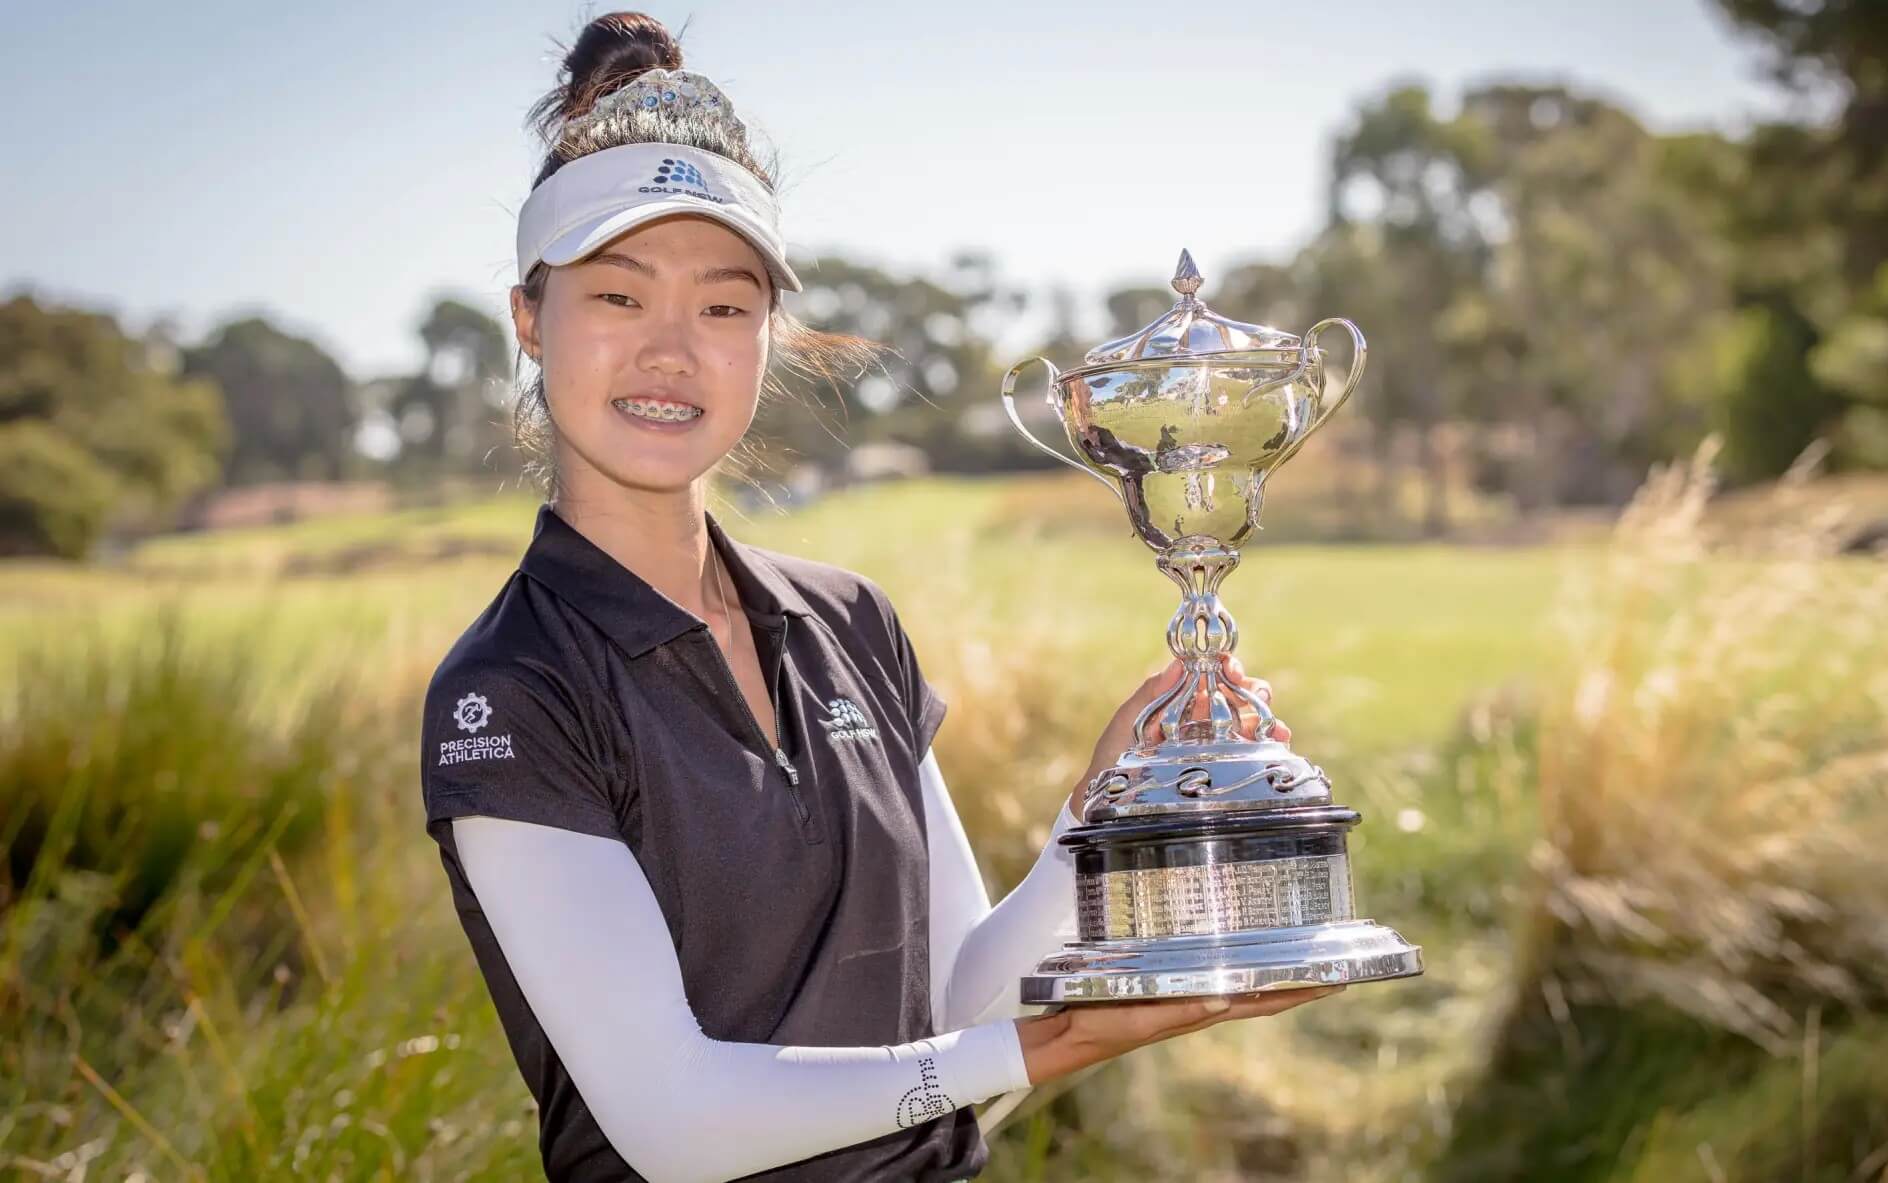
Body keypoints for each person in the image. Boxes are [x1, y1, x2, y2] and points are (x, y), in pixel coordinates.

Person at [419, 13, 1343, 1182]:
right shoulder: (510, 690)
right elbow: (669, 1121)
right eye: (615, 297)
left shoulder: (849, 621)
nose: (670, 351)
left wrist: (1090, 831)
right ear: (528, 321)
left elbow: (949, 996)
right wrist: (1032, 1051)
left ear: (769, 335)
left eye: (722, 305)